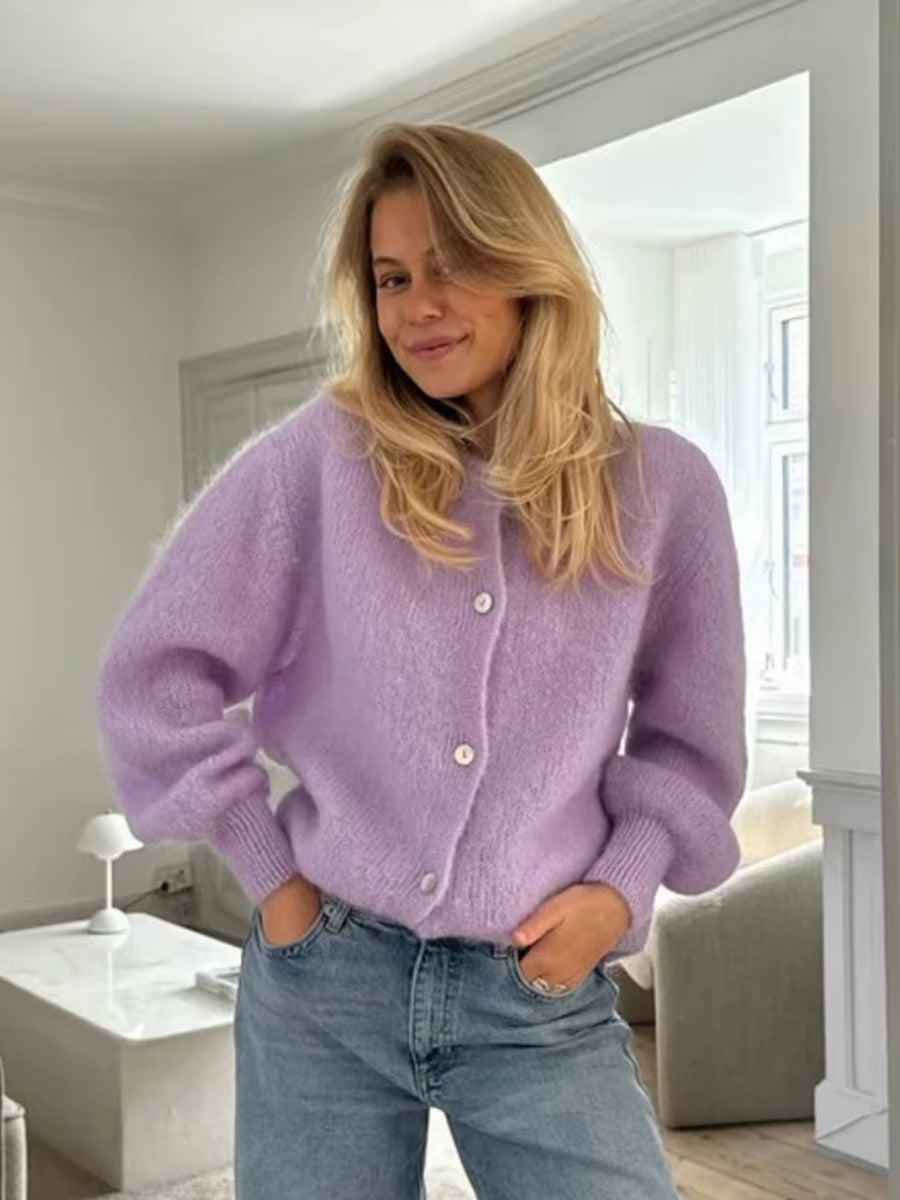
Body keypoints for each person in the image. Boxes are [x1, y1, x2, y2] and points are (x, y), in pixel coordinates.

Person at [95, 120, 746, 1200]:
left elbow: (692, 739)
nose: (417, 307)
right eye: (392, 278)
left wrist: (619, 889)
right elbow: (155, 676)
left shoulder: (660, 486)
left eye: (451, 266)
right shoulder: (323, 459)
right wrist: (273, 880)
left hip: (536, 992)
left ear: (528, 267)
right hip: (325, 979)